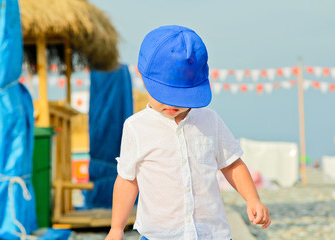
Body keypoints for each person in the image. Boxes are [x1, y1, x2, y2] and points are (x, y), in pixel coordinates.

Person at [105, 25, 271, 240]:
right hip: (159, 235)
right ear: (143, 77)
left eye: (181, 96)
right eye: (164, 94)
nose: (172, 103)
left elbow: (231, 163)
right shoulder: (136, 127)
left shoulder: (209, 120)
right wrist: (116, 228)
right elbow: (127, 179)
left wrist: (252, 199)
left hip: (211, 233)